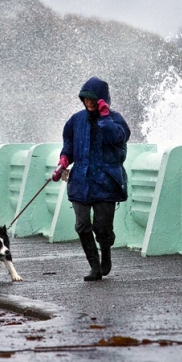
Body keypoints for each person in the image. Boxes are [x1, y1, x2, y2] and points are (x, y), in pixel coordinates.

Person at [52, 77, 130, 281]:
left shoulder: (115, 120)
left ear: (102, 100)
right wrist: (63, 160)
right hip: (80, 181)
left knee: (102, 228)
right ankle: (94, 266)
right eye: (85, 99)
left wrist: (104, 118)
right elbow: (69, 144)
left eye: (92, 99)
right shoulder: (75, 120)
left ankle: (106, 250)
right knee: (82, 225)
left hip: (106, 181)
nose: (88, 102)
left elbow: (118, 138)